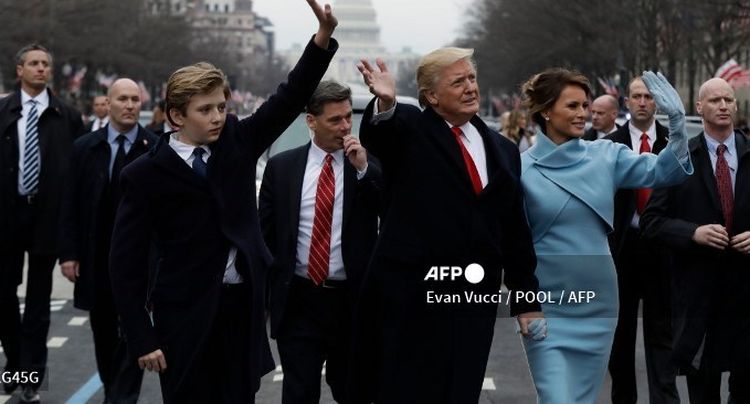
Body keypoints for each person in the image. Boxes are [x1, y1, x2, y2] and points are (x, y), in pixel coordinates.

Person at [108, 0, 337, 404]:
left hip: (240, 312)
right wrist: (141, 337)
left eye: (221, 106)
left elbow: (288, 98)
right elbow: (124, 265)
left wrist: (321, 39)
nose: (217, 117)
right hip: (183, 316)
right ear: (177, 116)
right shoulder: (143, 174)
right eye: (205, 109)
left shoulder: (237, 141)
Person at [355, 49, 543, 402]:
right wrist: (386, 104)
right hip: (413, 298)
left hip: (473, 300)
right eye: (458, 82)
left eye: (472, 78)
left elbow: (515, 230)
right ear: (432, 96)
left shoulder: (503, 149)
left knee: (461, 390)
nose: (471, 87)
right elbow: (382, 135)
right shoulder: (411, 129)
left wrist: (526, 299)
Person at [519, 68, 692, 403]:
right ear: (545, 111)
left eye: (585, 105)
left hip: (598, 303)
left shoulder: (606, 155)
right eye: (572, 106)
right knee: (557, 398)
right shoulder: (520, 168)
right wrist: (525, 302)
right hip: (547, 305)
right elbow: (513, 246)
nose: (583, 113)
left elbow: (662, 171)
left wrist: (677, 123)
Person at [259, 81, 381, 403]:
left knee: (354, 391)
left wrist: (364, 169)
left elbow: (391, 206)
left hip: (351, 301)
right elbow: (265, 235)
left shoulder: (367, 164)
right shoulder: (281, 167)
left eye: (347, 118)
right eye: (334, 120)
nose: (344, 127)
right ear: (311, 121)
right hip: (299, 300)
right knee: (299, 393)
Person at [641, 77, 750, 403]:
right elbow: (651, 221)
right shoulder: (680, 158)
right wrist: (693, 233)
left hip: (745, 292)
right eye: (715, 100)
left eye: (728, 100)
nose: (723, 106)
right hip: (698, 293)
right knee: (703, 388)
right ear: (699, 107)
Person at [58, 79, 157, 403]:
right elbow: (69, 203)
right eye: (123, 99)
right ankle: (114, 389)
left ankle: (121, 397)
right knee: (102, 331)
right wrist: (69, 254)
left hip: (139, 262)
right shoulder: (85, 148)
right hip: (96, 257)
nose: (130, 105)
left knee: (133, 330)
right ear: (108, 104)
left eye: (134, 99)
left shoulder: (154, 148)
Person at [0, 43, 84, 403]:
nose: (40, 69)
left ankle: (30, 379)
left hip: (48, 217)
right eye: (33, 63)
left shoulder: (67, 115)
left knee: (38, 301)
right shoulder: (3, 111)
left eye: (45, 64)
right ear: (19, 69)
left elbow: (79, 174)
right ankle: (18, 363)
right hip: (7, 215)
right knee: (3, 296)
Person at [605, 77, 678, 403]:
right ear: (627, 102)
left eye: (649, 96)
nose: (643, 102)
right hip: (623, 248)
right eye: (637, 96)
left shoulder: (674, 140)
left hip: (662, 247)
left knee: (662, 334)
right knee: (620, 337)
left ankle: (663, 398)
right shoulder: (610, 144)